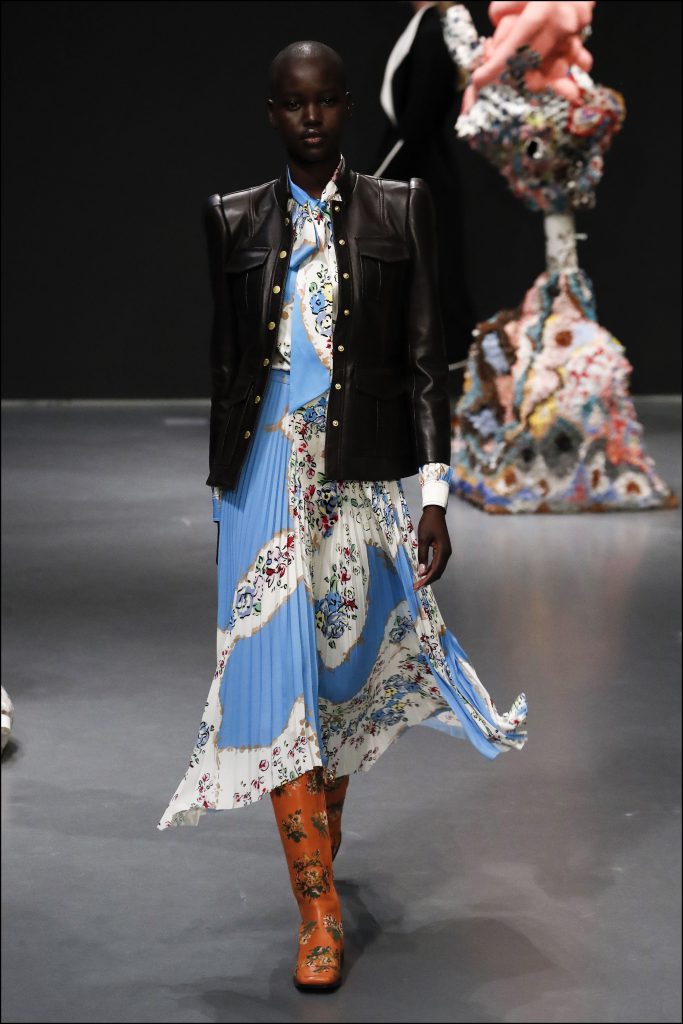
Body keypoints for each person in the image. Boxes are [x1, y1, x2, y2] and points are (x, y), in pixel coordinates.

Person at [157, 40, 528, 992]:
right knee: (277, 689)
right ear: (271, 113)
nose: (310, 117)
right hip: (263, 483)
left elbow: (424, 363)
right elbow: (227, 366)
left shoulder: (399, 209)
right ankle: (317, 913)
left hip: (359, 480)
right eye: (292, 103)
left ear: (348, 105)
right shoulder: (232, 217)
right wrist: (225, 499)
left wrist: (433, 495)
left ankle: (319, 848)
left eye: (323, 101)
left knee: (339, 678)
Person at [374, 0, 476, 363]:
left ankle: (451, 367)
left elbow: (417, 120)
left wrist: (375, 181)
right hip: (417, 169)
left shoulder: (432, 32)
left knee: (437, 273)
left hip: (421, 173)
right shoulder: (427, 28)